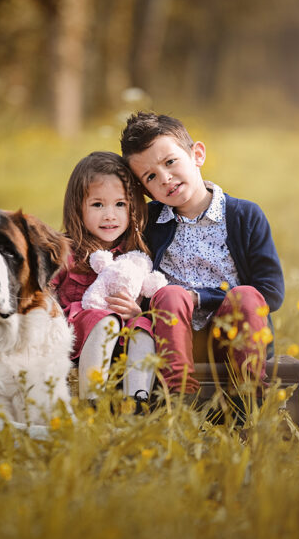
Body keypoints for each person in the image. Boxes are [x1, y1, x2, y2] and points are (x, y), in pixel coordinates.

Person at [120, 112, 285, 395]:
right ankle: (180, 398)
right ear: (145, 190)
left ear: (197, 154)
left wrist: (201, 298)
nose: (165, 178)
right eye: (151, 176)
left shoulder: (245, 215)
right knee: (170, 294)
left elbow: (271, 291)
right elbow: (136, 275)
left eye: (170, 162)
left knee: (245, 295)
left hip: (234, 336)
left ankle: (250, 400)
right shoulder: (147, 223)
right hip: (173, 338)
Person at [53, 151, 157, 403]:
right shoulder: (66, 252)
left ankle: (137, 400)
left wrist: (136, 312)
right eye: (98, 204)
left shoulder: (134, 255)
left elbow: (145, 297)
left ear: (133, 207)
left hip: (122, 342)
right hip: (77, 336)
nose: (110, 215)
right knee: (105, 321)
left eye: (120, 204)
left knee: (144, 327)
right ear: (78, 208)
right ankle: (94, 401)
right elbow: (45, 292)